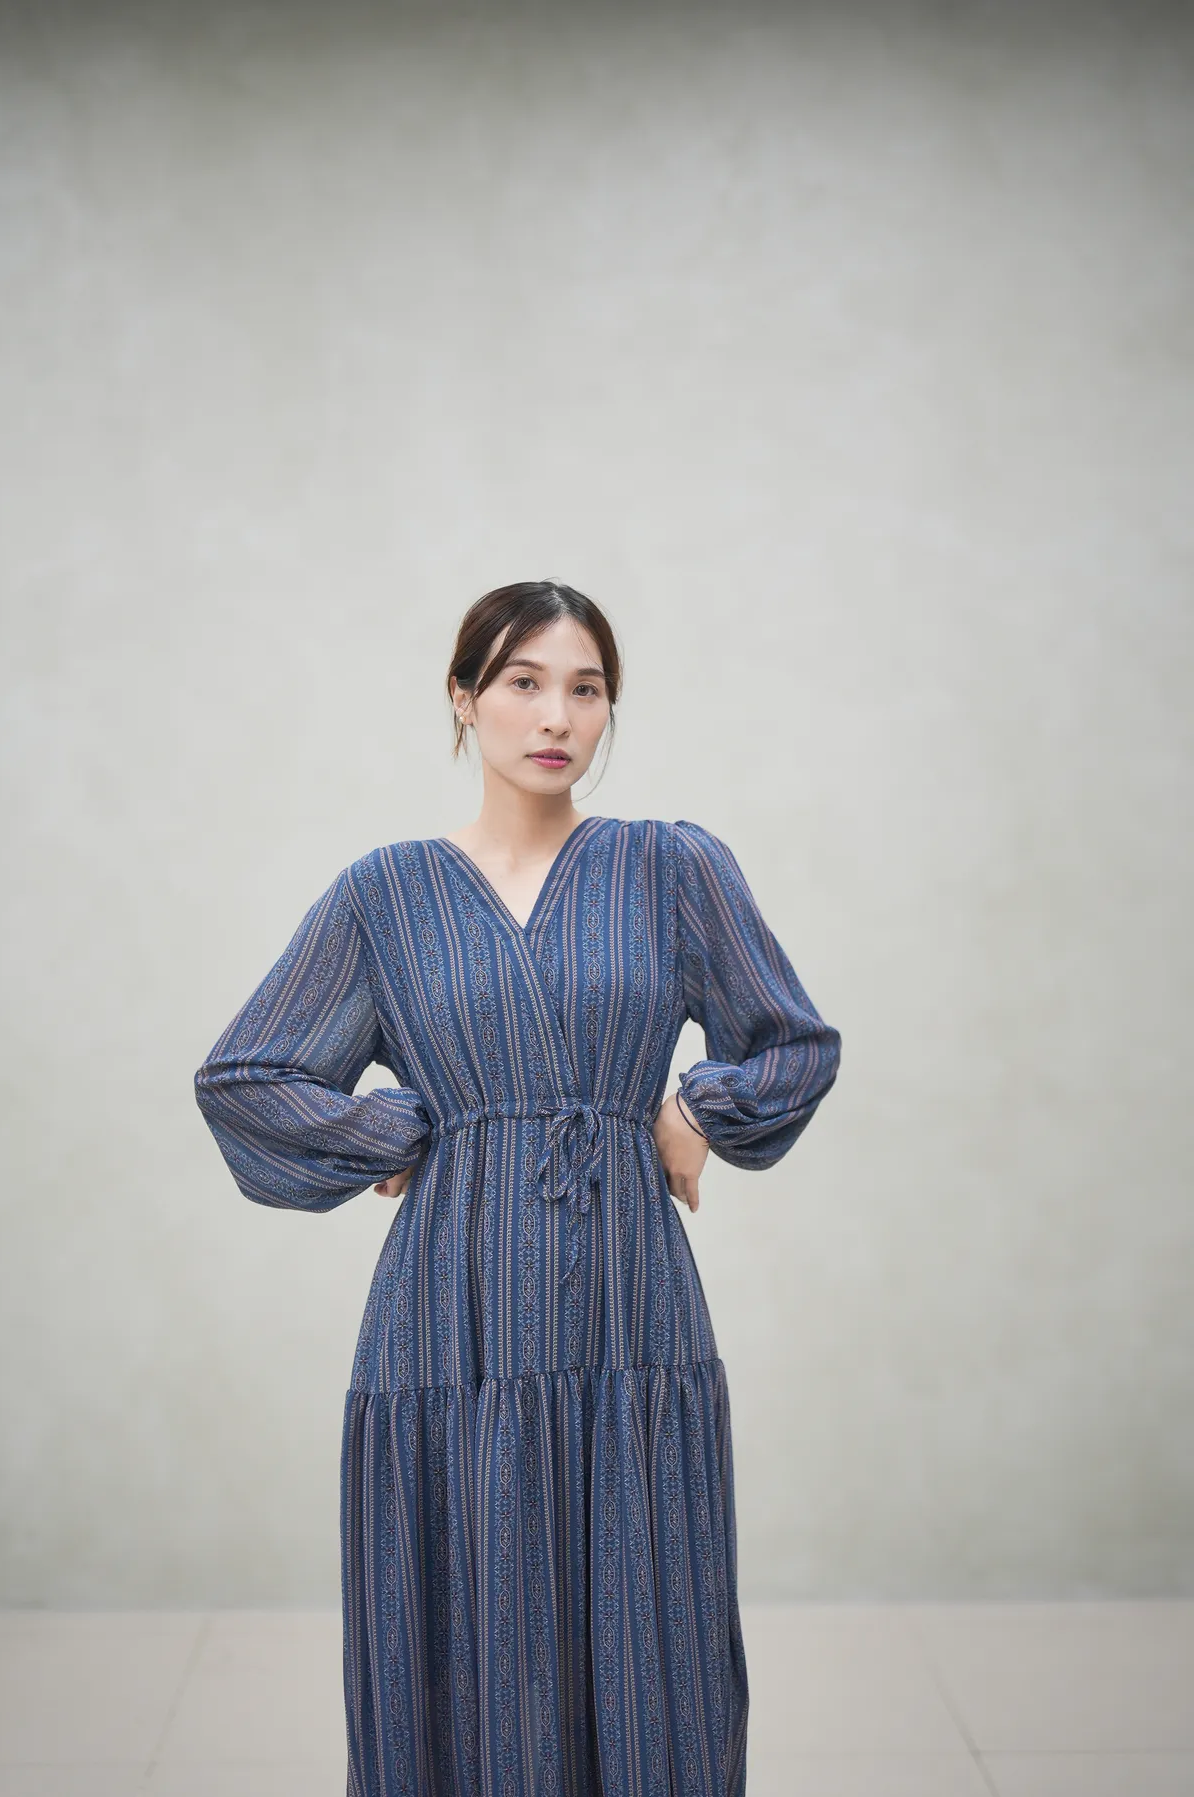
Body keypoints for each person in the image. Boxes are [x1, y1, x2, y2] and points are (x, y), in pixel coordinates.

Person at [193, 579, 842, 1797]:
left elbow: (794, 1042)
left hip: (629, 1305)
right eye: (523, 683)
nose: (556, 716)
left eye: (586, 689)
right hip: (453, 1311)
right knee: (464, 1621)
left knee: (653, 1626)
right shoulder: (387, 895)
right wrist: (393, 1125)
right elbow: (246, 1077)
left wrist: (697, 1109)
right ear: (463, 698)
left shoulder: (670, 867)